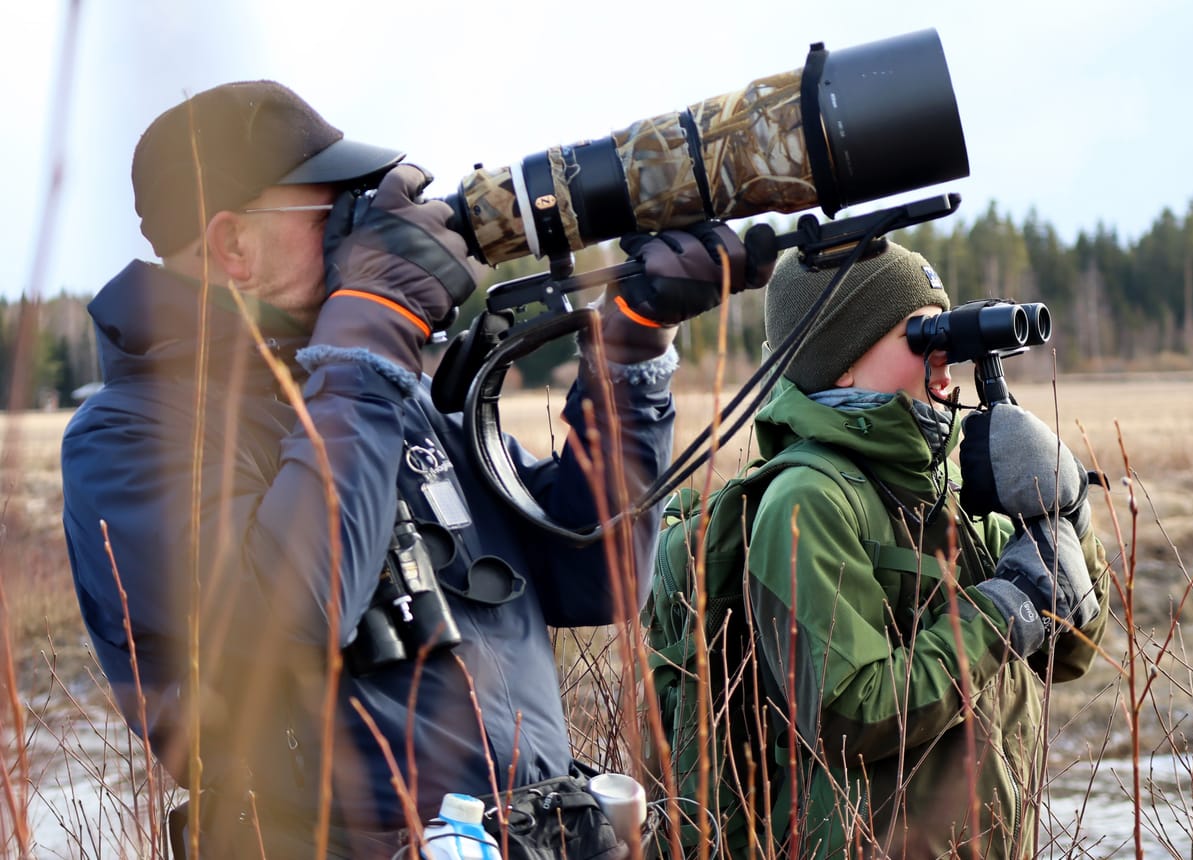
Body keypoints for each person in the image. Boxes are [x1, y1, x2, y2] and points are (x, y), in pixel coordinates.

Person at [61, 80, 765, 858]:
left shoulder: (375, 392)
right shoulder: (129, 435)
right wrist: (367, 334)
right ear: (233, 247)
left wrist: (631, 353)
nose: (372, 238)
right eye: (341, 215)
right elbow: (292, 611)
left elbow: (597, 575)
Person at [741, 239, 1111, 858]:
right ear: (842, 363)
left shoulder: (947, 489)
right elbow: (846, 714)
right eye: (920, 339)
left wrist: (1065, 514)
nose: (943, 365)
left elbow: (1068, 657)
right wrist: (1001, 614)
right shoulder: (808, 501)